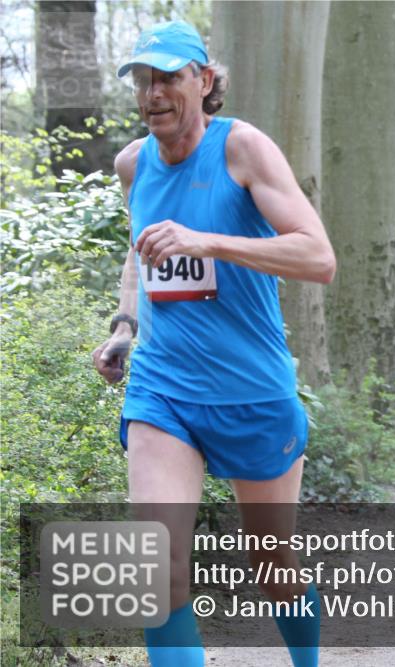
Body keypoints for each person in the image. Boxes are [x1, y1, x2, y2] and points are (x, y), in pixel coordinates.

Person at [90, 21, 335, 667]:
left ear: (203, 80)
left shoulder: (243, 149)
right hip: (164, 388)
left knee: (273, 565)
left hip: (251, 388)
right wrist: (125, 325)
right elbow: (140, 250)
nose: (154, 93)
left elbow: (318, 258)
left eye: (169, 78)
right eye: (144, 80)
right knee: (157, 565)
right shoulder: (133, 163)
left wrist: (208, 242)